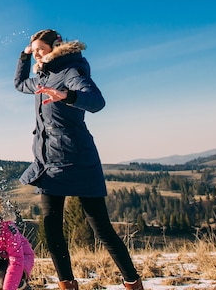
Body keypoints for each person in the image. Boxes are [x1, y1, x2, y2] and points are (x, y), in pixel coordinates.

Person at [13, 29, 144, 290]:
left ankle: (133, 283)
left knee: (102, 229)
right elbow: (18, 84)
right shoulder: (42, 76)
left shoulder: (71, 71)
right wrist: (24, 55)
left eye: (41, 48)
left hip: (78, 159)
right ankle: (67, 284)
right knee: (52, 229)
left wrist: (68, 96)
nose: (37, 53)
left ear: (56, 46)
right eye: (34, 49)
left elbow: (97, 102)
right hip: (48, 162)